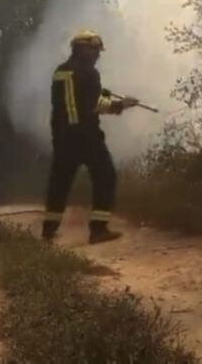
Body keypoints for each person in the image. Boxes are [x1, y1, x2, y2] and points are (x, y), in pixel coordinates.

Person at [41, 30, 139, 244]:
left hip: (62, 138)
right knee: (105, 177)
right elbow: (94, 106)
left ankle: (48, 232)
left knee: (60, 184)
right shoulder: (89, 73)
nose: (97, 55)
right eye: (95, 50)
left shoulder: (60, 72)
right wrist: (122, 104)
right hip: (86, 137)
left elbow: (73, 98)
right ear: (83, 48)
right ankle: (98, 230)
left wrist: (100, 92)